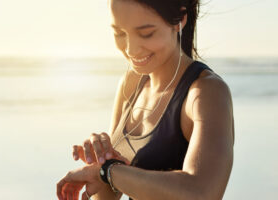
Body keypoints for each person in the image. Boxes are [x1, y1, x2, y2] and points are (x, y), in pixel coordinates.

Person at [57, 0, 235, 199]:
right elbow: (108, 192)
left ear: (180, 19)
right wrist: (98, 163)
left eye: (146, 33)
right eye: (120, 33)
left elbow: (202, 193)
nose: (131, 50)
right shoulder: (130, 84)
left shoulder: (206, 93)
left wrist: (108, 171)